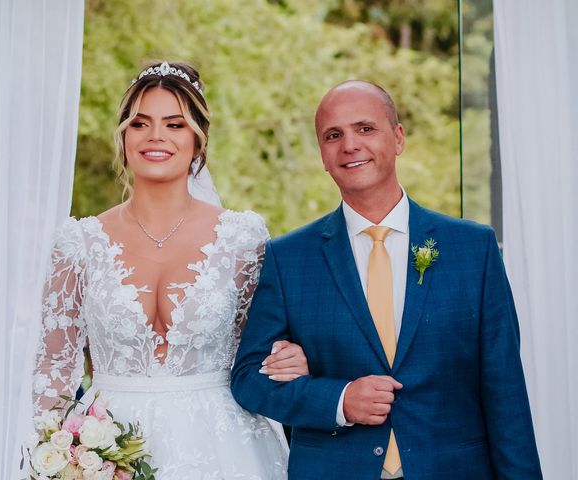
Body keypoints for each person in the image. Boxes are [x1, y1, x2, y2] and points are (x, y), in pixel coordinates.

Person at [231, 80, 542, 479]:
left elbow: (506, 393)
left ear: (398, 138)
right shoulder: (289, 258)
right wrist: (339, 400)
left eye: (365, 129)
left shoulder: (473, 249)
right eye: (333, 135)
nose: (349, 145)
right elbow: (248, 379)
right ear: (323, 157)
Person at [32, 60, 309, 479]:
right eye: (140, 123)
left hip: (227, 449)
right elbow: (53, 374)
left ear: (198, 141)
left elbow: (267, 348)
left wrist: (291, 357)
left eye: (175, 124)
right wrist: (63, 456)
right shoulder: (78, 244)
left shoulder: (242, 238)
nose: (156, 136)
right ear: (124, 136)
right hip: (108, 450)